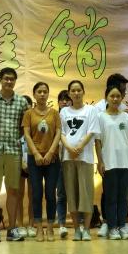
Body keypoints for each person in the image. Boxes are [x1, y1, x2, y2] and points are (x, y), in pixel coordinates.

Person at [0, 68, 28, 242]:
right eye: (6, 78)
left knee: (13, 190)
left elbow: (24, 129)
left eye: (12, 79)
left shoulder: (22, 102)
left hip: (14, 151)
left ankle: (12, 229)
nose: (9, 82)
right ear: (0, 80)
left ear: (15, 81)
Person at [59, 80, 100, 241]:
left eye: (78, 90)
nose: (76, 93)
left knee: (86, 193)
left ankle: (87, 229)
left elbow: (92, 131)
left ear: (83, 92)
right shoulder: (64, 112)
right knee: (72, 195)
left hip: (85, 157)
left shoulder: (91, 110)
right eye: (73, 90)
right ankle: (76, 229)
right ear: (69, 93)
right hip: (68, 158)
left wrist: (80, 147)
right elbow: (62, 133)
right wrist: (69, 148)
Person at [96, 84, 128, 240]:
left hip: (125, 162)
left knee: (123, 197)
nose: (115, 99)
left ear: (121, 98)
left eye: (118, 96)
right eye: (112, 96)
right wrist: (100, 161)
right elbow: (98, 141)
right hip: (109, 162)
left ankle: (122, 225)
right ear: (106, 98)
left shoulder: (126, 116)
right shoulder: (101, 117)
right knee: (111, 197)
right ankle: (112, 227)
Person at [22, 82, 61, 242]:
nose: (42, 94)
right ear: (34, 94)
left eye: (45, 91)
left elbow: (58, 133)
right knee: (36, 194)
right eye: (39, 92)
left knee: (51, 194)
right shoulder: (28, 114)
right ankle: (38, 228)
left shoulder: (54, 113)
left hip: (53, 159)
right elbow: (27, 135)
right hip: (35, 159)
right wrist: (36, 154)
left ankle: (50, 228)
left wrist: (51, 152)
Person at [54, 88, 71, 237]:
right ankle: (62, 225)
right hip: (58, 160)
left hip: (73, 158)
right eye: (62, 99)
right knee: (61, 194)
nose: (64, 102)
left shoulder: (76, 116)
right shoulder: (54, 117)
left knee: (76, 192)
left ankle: (80, 223)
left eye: (67, 99)